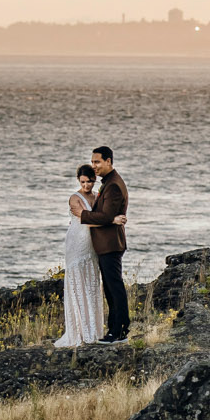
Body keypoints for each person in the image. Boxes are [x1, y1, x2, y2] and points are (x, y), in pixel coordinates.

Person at [77, 146, 131, 342]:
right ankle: (115, 330)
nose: (94, 166)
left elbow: (106, 215)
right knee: (110, 287)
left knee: (114, 288)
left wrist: (81, 215)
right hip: (107, 243)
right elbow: (109, 216)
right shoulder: (108, 183)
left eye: (97, 162)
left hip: (110, 244)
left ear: (109, 161)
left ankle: (119, 331)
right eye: (92, 162)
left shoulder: (114, 185)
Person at [53, 164, 108, 349]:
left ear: (94, 180)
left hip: (92, 244)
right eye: (83, 182)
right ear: (79, 180)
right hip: (77, 243)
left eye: (89, 181)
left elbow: (99, 215)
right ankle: (80, 330)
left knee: (91, 282)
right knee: (78, 282)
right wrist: (111, 219)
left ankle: (93, 328)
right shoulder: (74, 199)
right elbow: (87, 219)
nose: (86, 185)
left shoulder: (96, 196)